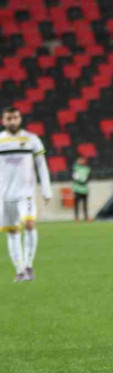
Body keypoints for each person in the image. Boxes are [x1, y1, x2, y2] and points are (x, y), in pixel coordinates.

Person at [0, 107, 52, 282]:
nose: (12, 121)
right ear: (3, 121)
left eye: (15, 117)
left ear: (20, 119)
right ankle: (20, 270)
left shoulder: (32, 139)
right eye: (9, 118)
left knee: (29, 224)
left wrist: (46, 188)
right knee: (13, 232)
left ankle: (29, 266)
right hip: (4, 195)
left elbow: (41, 164)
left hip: (26, 193)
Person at [72, 156, 91, 221]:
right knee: (76, 204)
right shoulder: (76, 168)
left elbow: (88, 177)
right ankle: (76, 217)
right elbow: (74, 177)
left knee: (85, 204)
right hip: (77, 189)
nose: (82, 161)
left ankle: (86, 217)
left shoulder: (87, 169)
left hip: (85, 189)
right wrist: (80, 181)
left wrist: (84, 182)